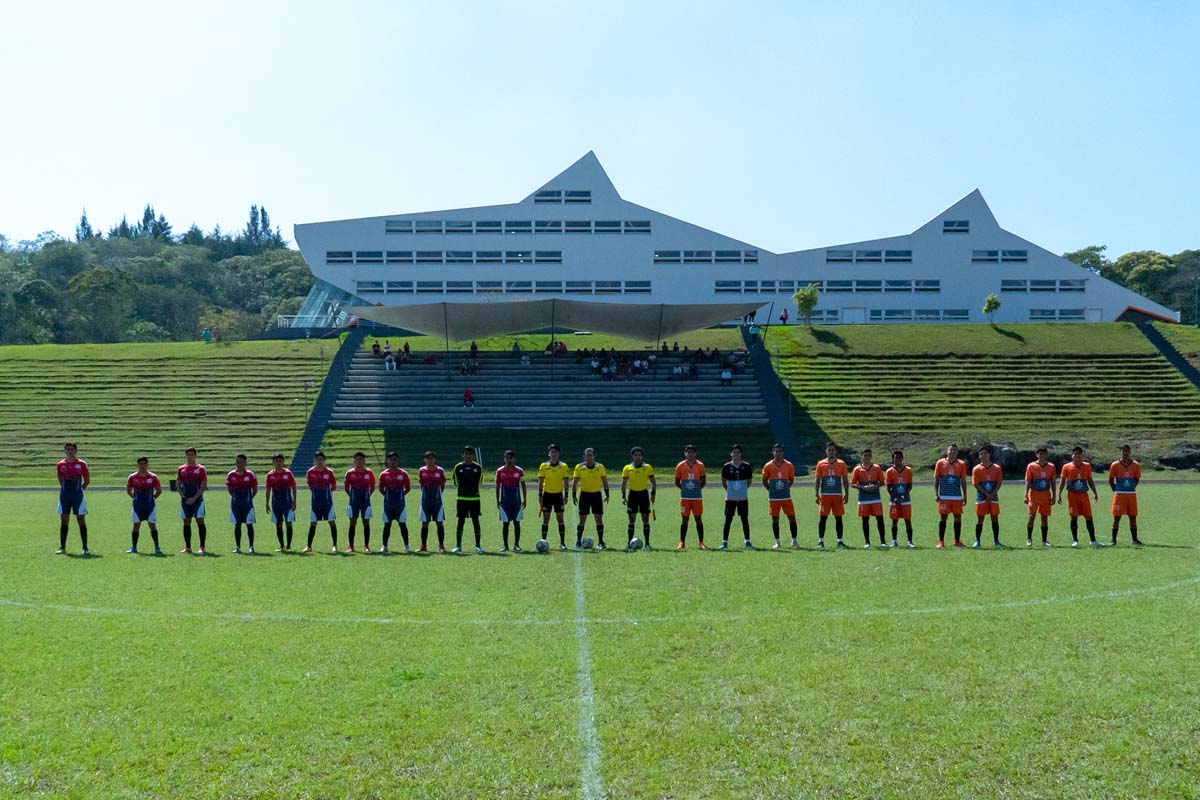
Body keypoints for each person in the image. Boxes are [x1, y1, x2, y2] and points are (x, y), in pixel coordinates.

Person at [1058, 446, 1102, 547]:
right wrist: (1059, 494)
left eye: (1079, 454)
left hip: (1084, 495)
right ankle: (1075, 541)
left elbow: (1090, 480)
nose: (1077, 456)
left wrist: (1095, 492)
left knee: (1088, 516)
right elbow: (1063, 481)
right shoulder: (1066, 467)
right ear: (1072, 455)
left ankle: (1093, 540)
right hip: (1072, 495)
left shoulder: (1087, 466)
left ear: (1082, 455)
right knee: (1074, 517)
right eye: (1075, 454)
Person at [55, 443, 90, 555]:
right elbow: (60, 479)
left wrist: (79, 490)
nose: (70, 451)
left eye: (72, 449)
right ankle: (62, 547)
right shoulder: (60, 464)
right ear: (65, 451)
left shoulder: (81, 464)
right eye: (68, 449)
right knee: (64, 520)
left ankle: (85, 547)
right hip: (64, 496)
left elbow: (87, 480)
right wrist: (66, 490)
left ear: (76, 451)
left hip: (78, 497)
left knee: (81, 520)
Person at [813, 442, 849, 549]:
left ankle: (840, 541)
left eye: (833, 450)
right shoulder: (820, 464)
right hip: (825, 495)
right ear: (826, 451)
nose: (831, 452)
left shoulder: (841, 463)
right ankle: (820, 541)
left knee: (839, 518)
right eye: (829, 450)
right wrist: (816, 493)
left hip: (837, 495)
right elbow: (818, 480)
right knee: (823, 518)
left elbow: (845, 480)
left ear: (835, 451)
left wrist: (847, 493)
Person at [572, 448, 609, 549]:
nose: (589, 457)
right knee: (582, 520)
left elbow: (605, 481)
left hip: (596, 495)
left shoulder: (600, 467)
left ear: (594, 456)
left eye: (591, 455)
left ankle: (601, 542)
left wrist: (607, 494)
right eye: (587, 455)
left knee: (599, 520)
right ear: (584, 457)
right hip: (584, 496)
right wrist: (573, 495)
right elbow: (574, 483)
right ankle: (578, 542)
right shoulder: (579, 467)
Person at [763, 443, 799, 549]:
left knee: (792, 518)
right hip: (774, 498)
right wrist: (771, 490)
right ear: (773, 452)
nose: (778, 453)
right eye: (776, 451)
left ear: (783, 453)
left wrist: (786, 489)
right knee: (775, 519)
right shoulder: (768, 465)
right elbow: (764, 480)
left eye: (780, 451)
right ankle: (777, 542)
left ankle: (794, 541)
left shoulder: (789, 465)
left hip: (786, 497)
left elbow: (791, 479)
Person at [537, 443, 572, 550]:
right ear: (549, 454)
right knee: (545, 520)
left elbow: (566, 481)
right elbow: (541, 480)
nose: (554, 454)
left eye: (555, 452)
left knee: (560, 519)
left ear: (558, 454)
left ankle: (562, 543)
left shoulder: (563, 466)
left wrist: (566, 495)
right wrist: (540, 494)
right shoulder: (544, 466)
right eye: (552, 452)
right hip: (547, 495)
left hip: (558, 496)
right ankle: (543, 541)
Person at [850, 449, 887, 548]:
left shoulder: (876, 468)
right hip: (863, 498)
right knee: (865, 520)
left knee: (879, 519)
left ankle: (883, 541)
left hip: (875, 498)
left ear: (871, 457)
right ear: (862, 457)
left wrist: (875, 486)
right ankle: (867, 542)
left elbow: (882, 482)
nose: (867, 457)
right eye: (865, 455)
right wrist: (862, 487)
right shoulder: (857, 469)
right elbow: (852, 484)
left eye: (868, 455)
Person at [125, 457, 163, 555]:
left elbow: (159, 490)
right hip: (137, 506)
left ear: (147, 465)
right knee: (136, 526)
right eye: (140, 464)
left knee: (152, 526)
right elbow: (129, 490)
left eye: (144, 463)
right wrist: (135, 498)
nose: (142, 466)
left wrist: (153, 498)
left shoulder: (153, 477)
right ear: (137, 465)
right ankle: (134, 547)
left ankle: (157, 547)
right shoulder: (132, 477)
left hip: (150, 506)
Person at [621, 446, 656, 549]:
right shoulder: (627, 468)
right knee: (631, 519)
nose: (637, 457)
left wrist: (653, 494)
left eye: (639, 455)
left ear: (642, 456)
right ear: (632, 456)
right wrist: (623, 496)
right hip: (632, 495)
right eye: (635, 455)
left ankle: (647, 544)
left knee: (645, 519)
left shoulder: (648, 467)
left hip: (644, 495)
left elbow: (653, 483)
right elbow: (623, 484)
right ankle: (629, 543)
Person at [933, 444, 968, 549]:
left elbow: (963, 481)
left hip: (956, 496)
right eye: (950, 450)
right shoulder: (940, 463)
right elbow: (936, 479)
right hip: (944, 496)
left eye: (954, 450)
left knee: (958, 517)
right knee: (943, 518)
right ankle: (941, 541)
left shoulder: (961, 464)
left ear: (957, 452)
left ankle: (957, 541)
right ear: (947, 451)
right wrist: (936, 493)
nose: (952, 452)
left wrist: (965, 495)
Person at [304, 451, 339, 553]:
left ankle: (334, 546)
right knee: (313, 523)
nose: (320, 461)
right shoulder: (310, 472)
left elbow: (334, 486)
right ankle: (309, 546)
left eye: (322, 459)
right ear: (315, 460)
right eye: (318, 459)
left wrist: (326, 495)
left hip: (328, 503)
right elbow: (310, 485)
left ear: (324, 460)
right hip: (315, 503)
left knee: (331, 522)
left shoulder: (329, 472)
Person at [378, 451, 411, 553]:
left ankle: (407, 546)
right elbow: (381, 489)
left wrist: (400, 496)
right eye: (391, 460)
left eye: (395, 460)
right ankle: (384, 546)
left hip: (400, 505)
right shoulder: (384, 474)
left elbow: (408, 488)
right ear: (388, 461)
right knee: (387, 525)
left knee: (402, 525)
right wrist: (389, 497)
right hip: (388, 505)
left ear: (398, 461)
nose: (393, 462)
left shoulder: (403, 474)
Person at [1108, 444, 1142, 545]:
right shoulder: (1115, 465)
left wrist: (1131, 488)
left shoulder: (1136, 465)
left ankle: (1135, 539)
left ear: (1130, 452)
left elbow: (1137, 479)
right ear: (1121, 452)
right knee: (1117, 517)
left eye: (1127, 451)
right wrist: (1116, 490)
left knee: (1132, 516)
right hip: (1119, 494)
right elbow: (1110, 479)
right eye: (1123, 451)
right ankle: (1113, 539)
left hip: (1131, 494)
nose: (1125, 453)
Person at [720, 444, 753, 548]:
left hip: (743, 497)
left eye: (738, 452)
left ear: (741, 454)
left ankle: (747, 541)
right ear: (731, 454)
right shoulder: (726, 466)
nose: (736, 454)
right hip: (730, 498)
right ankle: (724, 542)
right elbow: (724, 482)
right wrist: (730, 491)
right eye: (734, 452)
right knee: (728, 519)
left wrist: (742, 490)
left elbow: (749, 481)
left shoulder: (746, 466)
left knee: (744, 519)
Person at [674, 445, 707, 549]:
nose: (690, 454)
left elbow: (704, 481)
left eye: (692, 452)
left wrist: (696, 490)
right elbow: (677, 481)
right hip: (685, 499)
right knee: (684, 520)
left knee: (698, 519)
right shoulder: (680, 465)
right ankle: (682, 542)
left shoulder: (700, 465)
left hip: (697, 498)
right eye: (688, 452)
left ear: (695, 454)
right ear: (685, 453)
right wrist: (685, 490)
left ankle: (701, 542)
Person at [452, 446, 484, 553]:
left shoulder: (478, 467)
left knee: (476, 521)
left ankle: (478, 546)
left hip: (474, 498)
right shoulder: (458, 467)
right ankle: (458, 546)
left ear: (473, 455)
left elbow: (480, 482)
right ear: (463, 455)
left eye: (470, 454)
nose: (468, 456)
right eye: (466, 454)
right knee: (461, 521)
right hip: (461, 498)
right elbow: (456, 482)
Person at [972, 446, 1004, 548]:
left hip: (993, 497)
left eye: (985, 453)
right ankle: (977, 541)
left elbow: (999, 482)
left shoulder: (997, 468)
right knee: (980, 519)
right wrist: (986, 494)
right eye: (981, 454)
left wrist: (992, 494)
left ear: (989, 455)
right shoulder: (976, 469)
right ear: (979, 456)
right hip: (981, 497)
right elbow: (975, 484)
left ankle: (996, 541)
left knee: (994, 519)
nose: (984, 455)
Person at [177, 447, 208, 555]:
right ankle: (188, 547)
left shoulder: (201, 469)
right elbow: (178, 484)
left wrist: (194, 498)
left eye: (192, 455)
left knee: (200, 521)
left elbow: (203, 485)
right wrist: (184, 497)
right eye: (188, 455)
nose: (190, 457)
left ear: (195, 456)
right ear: (185, 456)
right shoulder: (181, 469)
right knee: (186, 522)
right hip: (185, 501)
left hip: (198, 500)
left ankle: (202, 547)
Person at [344, 451, 376, 553]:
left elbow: (373, 487)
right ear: (354, 461)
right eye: (357, 459)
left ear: (364, 461)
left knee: (366, 523)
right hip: (353, 502)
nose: (359, 461)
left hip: (365, 502)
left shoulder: (369, 473)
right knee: (352, 523)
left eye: (361, 459)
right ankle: (351, 546)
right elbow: (346, 487)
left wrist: (367, 496)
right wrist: (352, 497)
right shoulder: (350, 473)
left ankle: (366, 546)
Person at [264, 454, 298, 552]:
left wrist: (294, 502)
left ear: (283, 462)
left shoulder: (288, 473)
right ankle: (282, 545)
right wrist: (267, 504)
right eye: (276, 461)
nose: (278, 463)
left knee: (289, 524)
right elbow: (268, 489)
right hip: (276, 504)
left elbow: (294, 488)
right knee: (278, 524)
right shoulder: (270, 475)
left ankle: (289, 546)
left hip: (287, 503)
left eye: (280, 461)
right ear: (273, 462)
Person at [1025, 447, 1057, 547]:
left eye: (1044, 454)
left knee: (1044, 517)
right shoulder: (1031, 466)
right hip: (1034, 494)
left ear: (1047, 455)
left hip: (1046, 494)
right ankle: (1029, 538)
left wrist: (1054, 495)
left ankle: (1044, 540)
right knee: (1031, 516)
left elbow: (1053, 481)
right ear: (1036, 455)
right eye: (1040, 454)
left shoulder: (1051, 466)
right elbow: (1028, 481)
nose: (1042, 456)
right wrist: (1025, 495)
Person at [496, 450, 527, 551]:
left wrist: (524, 499)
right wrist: (497, 500)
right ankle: (505, 546)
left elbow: (523, 486)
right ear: (504, 459)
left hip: (517, 502)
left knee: (517, 523)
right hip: (505, 502)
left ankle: (516, 545)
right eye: (507, 458)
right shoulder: (500, 471)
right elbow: (497, 486)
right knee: (505, 524)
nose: (509, 460)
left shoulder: (519, 471)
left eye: (511, 458)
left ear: (514, 459)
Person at [226, 454, 258, 554]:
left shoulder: (250, 475)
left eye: (242, 462)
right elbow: (230, 490)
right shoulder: (231, 475)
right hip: (235, 505)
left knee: (249, 525)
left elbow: (255, 489)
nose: (239, 464)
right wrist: (237, 499)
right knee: (237, 525)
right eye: (238, 462)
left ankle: (251, 547)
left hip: (248, 505)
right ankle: (238, 547)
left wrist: (249, 499)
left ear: (245, 463)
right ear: (235, 462)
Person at [884, 450, 915, 548]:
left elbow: (909, 486)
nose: (898, 459)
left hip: (906, 500)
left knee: (908, 520)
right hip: (894, 501)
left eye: (899, 457)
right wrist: (896, 499)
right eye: (896, 458)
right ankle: (894, 541)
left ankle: (910, 541)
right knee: (894, 520)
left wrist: (902, 497)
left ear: (902, 458)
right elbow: (889, 487)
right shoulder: (889, 471)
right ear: (892, 459)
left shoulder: (908, 470)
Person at [418, 451, 447, 552]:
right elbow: (421, 484)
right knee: (425, 523)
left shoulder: (440, 471)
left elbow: (442, 485)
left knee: (439, 523)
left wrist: (437, 495)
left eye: (432, 458)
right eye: (428, 458)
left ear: (435, 460)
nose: (430, 460)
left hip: (437, 503)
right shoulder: (421, 470)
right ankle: (423, 546)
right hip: (425, 502)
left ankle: (441, 545)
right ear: (425, 460)